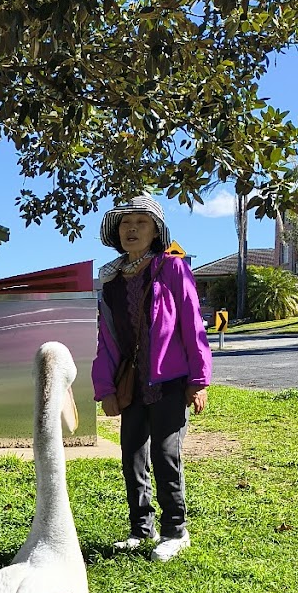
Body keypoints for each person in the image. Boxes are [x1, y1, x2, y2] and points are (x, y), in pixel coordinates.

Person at [92, 194, 212, 563]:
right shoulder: (111, 281)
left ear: (156, 230)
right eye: (125, 223)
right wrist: (105, 389)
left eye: (141, 222)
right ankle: (141, 528)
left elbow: (192, 324)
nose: (132, 229)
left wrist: (199, 380)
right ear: (116, 232)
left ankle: (176, 530)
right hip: (132, 383)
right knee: (132, 455)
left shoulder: (172, 268)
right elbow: (107, 338)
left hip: (171, 381)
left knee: (165, 453)